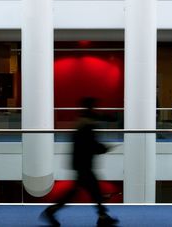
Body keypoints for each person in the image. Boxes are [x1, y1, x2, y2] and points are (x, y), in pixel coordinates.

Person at [40, 97, 119, 226]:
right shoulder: (86, 124)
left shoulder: (83, 120)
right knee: (92, 190)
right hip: (84, 163)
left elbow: (89, 137)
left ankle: (102, 216)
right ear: (91, 107)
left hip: (80, 162)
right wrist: (103, 148)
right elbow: (89, 144)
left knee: (83, 191)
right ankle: (102, 216)